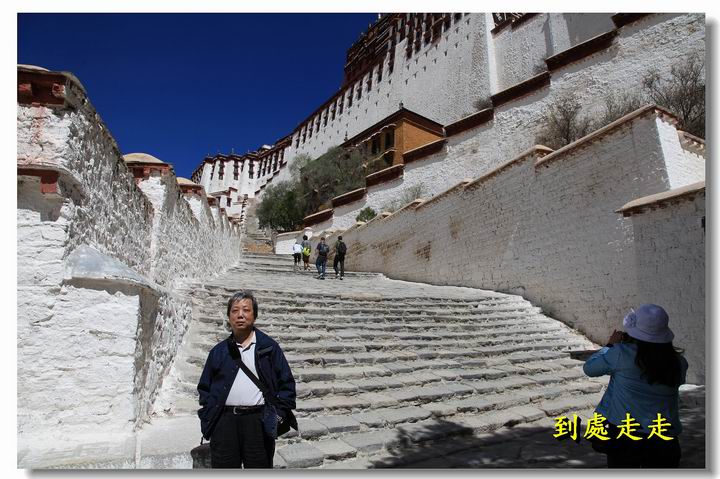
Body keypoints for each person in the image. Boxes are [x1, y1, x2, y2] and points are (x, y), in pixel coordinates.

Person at [197, 291, 297, 468]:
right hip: (224, 422)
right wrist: (208, 416)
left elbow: (287, 384)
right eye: (235, 310)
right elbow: (205, 388)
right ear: (229, 317)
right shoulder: (218, 352)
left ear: (254, 315)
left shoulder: (269, 348)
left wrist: (279, 414)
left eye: (246, 310)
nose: (240, 315)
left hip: (258, 422)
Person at [583, 304, 688, 468]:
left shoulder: (621, 353)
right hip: (664, 437)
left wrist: (610, 346)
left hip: (625, 436)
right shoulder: (679, 362)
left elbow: (590, 369)